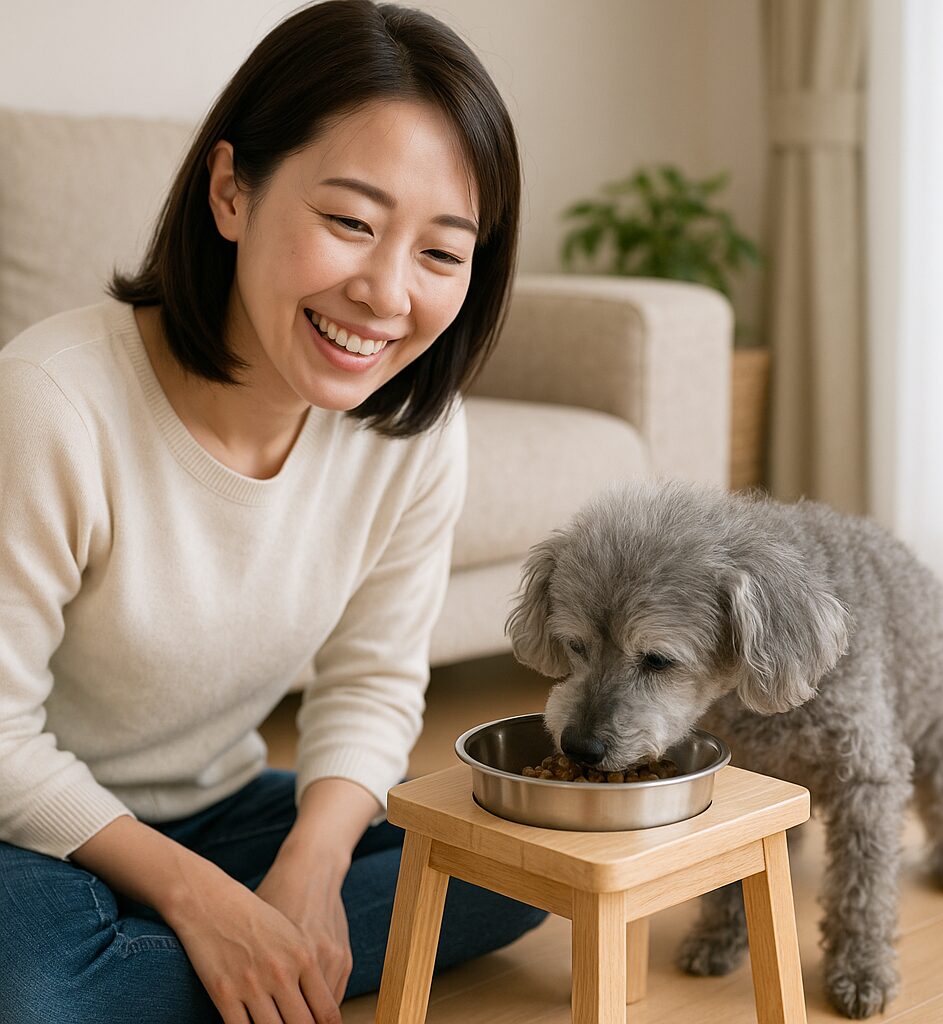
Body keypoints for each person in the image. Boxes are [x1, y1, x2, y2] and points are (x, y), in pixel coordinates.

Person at [0, 2, 546, 1021]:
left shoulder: (415, 435)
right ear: (230, 191)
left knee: (517, 872)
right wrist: (198, 899)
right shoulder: (50, 400)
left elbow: (375, 680)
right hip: (26, 826)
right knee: (34, 989)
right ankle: (210, 955)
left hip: (215, 805)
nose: (385, 294)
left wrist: (310, 860)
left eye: (440, 252)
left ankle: (201, 956)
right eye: (350, 221)